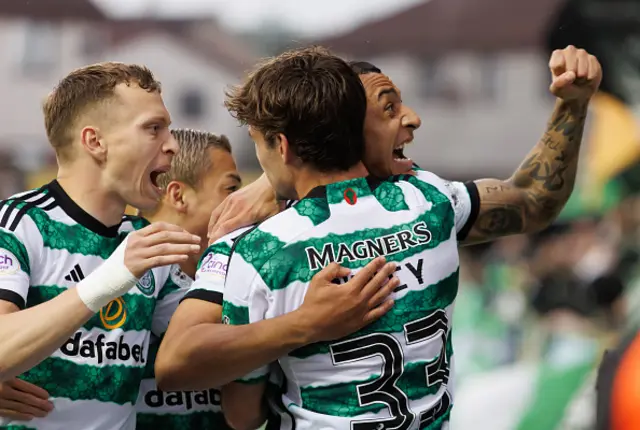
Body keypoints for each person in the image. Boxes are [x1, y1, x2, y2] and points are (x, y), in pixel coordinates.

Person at [207, 46, 602, 251]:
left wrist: (575, 102)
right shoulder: (252, 226)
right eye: (389, 108)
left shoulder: (427, 200)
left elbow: (533, 201)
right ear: (343, 126)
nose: (413, 118)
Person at [0, 62, 203, 429]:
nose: (172, 145)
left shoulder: (145, 241)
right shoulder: (19, 223)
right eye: (154, 128)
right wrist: (111, 277)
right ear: (95, 142)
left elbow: (201, 347)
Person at [134, 129, 240, 430]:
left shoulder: (227, 272)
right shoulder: (116, 265)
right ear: (179, 196)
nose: (243, 204)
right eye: (230, 189)